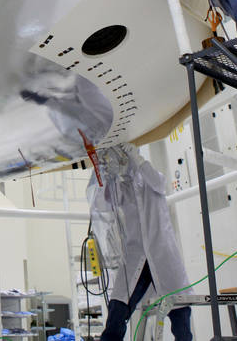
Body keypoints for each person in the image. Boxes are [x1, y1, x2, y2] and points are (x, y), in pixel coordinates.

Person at [88, 146, 191, 341]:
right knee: (118, 307)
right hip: (136, 257)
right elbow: (103, 204)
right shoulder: (123, 188)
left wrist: (138, 159)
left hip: (162, 255)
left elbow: (160, 182)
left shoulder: (150, 182)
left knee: (180, 319)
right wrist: (103, 173)